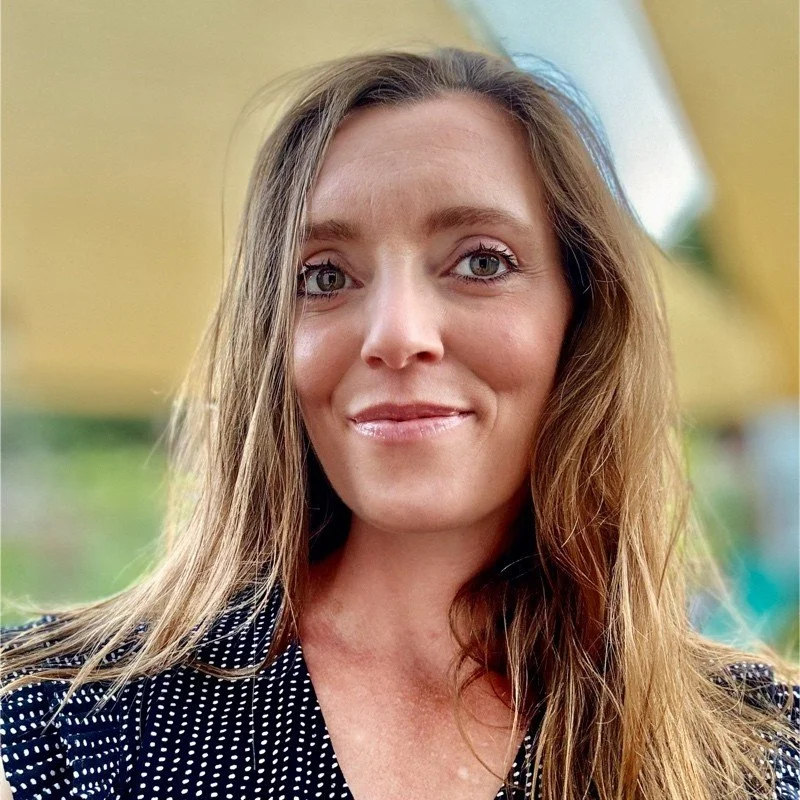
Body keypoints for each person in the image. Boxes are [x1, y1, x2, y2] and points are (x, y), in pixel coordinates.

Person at [1, 47, 798, 800]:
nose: (395, 333)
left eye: (481, 261)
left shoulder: (758, 750)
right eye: (325, 276)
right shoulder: (56, 719)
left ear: (579, 313)